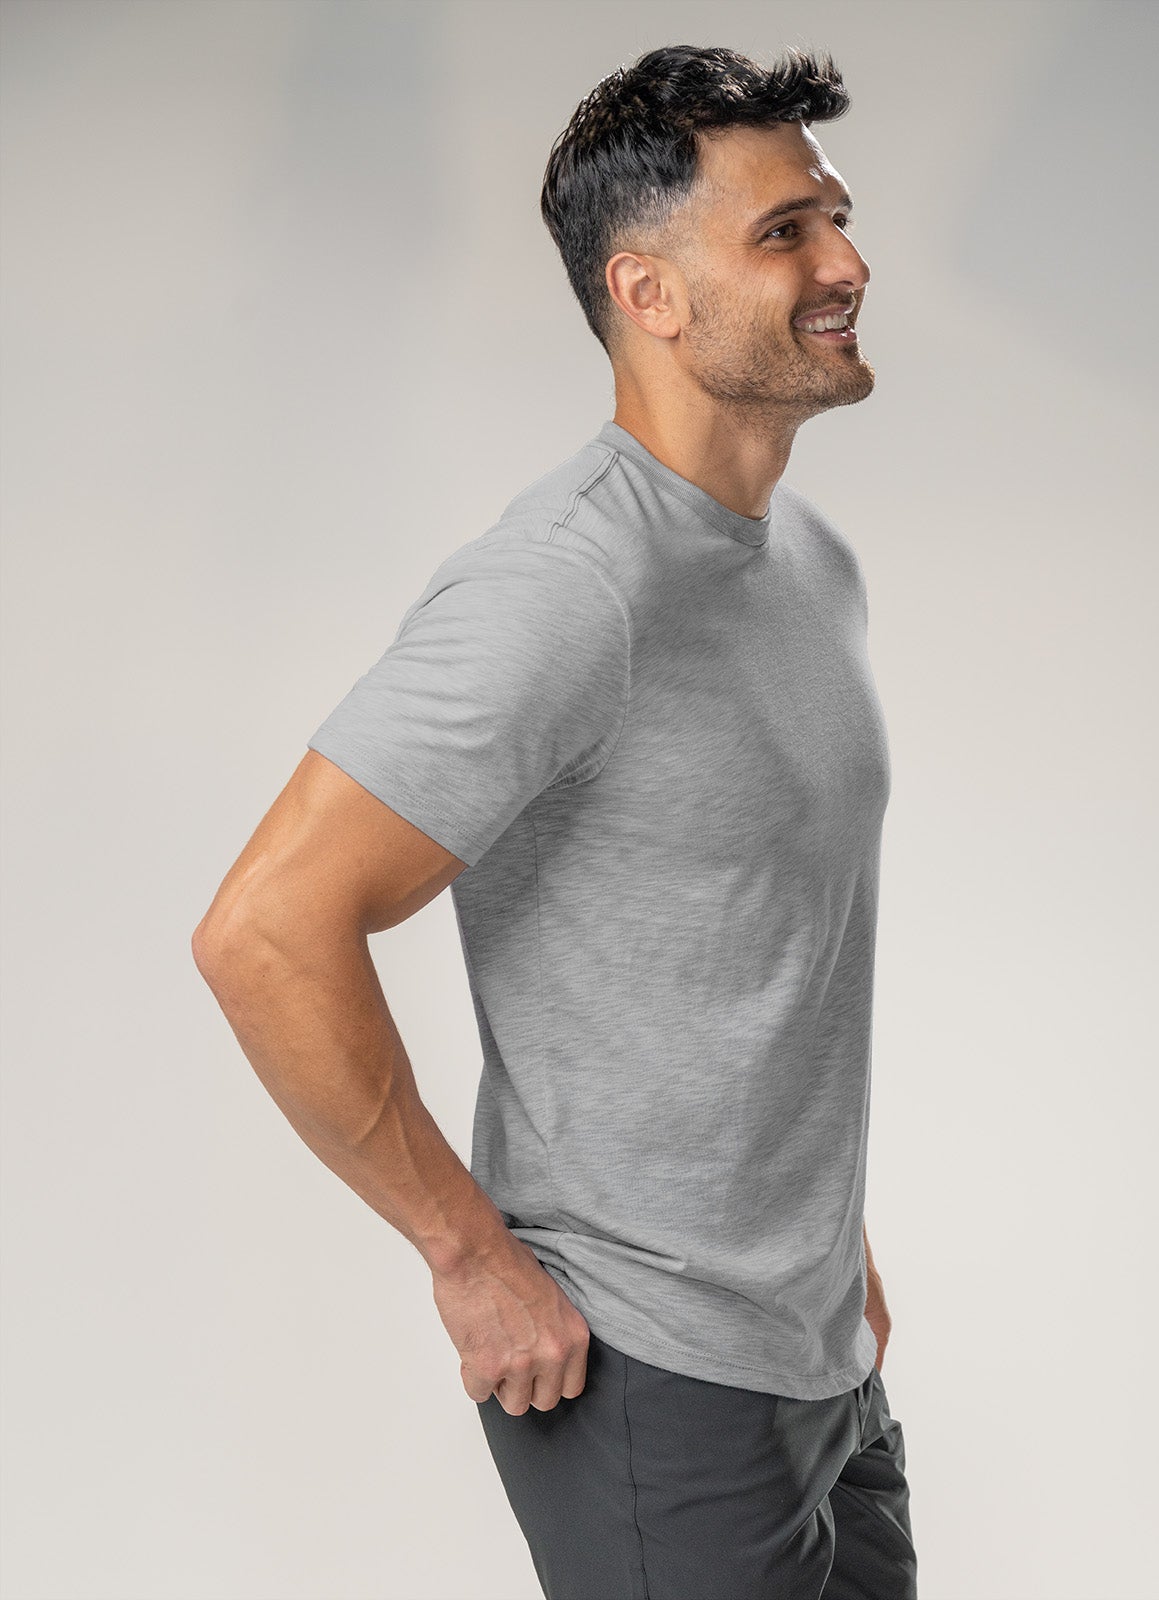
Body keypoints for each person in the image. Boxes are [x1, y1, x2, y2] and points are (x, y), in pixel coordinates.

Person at [193, 40, 918, 1600]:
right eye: (784, 232)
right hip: (655, 1376)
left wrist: (828, 1254)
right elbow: (265, 931)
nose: (846, 265)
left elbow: (757, 953)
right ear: (648, 293)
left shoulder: (808, 563)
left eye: (837, 220)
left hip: (821, 1364)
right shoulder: (562, 590)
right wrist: (466, 1256)